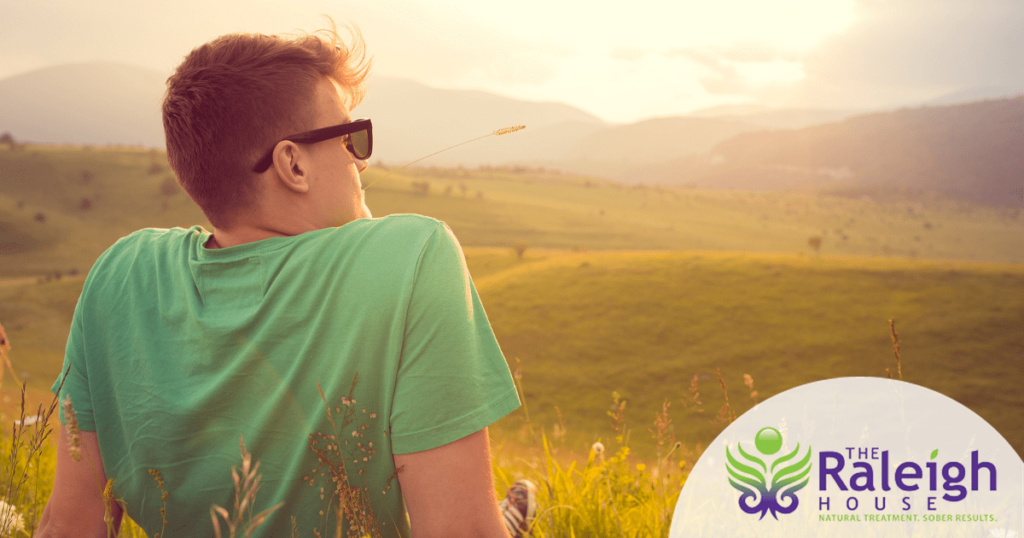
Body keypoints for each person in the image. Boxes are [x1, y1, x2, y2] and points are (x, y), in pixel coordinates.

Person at [37, 23, 536, 538]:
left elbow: (68, 525)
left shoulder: (121, 272)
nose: (361, 159)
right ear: (292, 164)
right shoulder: (413, 256)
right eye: (350, 137)